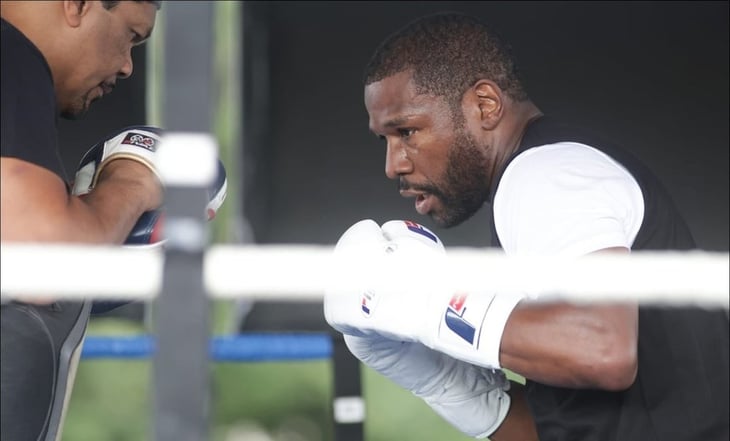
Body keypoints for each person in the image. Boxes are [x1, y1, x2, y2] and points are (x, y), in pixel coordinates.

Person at [324, 11, 729, 441]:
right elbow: (573, 425)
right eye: (384, 140)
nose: (393, 165)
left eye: (406, 131)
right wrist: (448, 383)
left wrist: (429, 307)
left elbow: (604, 351)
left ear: (485, 105)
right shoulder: (530, 193)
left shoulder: (544, 175)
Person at [1, 1, 162, 440]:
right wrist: (132, 183)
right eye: (131, 34)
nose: (128, 67)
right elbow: (43, 263)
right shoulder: (11, 56)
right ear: (78, 4)